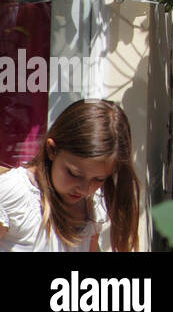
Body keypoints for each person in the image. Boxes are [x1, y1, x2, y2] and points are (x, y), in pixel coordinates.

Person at [0, 99, 140, 252]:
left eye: (98, 179)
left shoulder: (92, 204)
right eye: (74, 174)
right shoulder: (13, 194)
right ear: (52, 150)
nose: (84, 189)